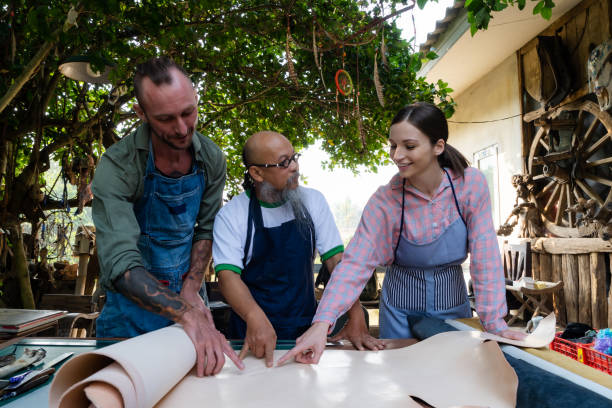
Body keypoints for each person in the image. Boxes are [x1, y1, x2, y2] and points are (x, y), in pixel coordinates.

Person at [279, 102, 525, 365]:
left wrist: (494, 322)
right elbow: (354, 265)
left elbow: (484, 255)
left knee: (454, 381)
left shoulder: (470, 184)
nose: (397, 155)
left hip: (454, 309)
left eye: (409, 146)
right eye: (393, 146)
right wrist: (321, 323)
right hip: (399, 315)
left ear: (438, 146)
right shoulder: (385, 201)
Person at [92, 57, 243, 376]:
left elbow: (205, 230)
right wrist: (184, 314)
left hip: (190, 299)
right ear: (141, 115)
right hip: (130, 313)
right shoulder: (118, 167)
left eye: (189, 112)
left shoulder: (211, 159)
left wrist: (190, 291)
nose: (182, 128)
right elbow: (120, 262)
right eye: (166, 119)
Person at [213, 131, 383, 367]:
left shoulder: (313, 201)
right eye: (284, 163)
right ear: (256, 173)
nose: (294, 167)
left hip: (305, 328)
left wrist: (355, 315)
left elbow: (336, 262)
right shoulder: (233, 215)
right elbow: (227, 276)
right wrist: (254, 317)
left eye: (294, 157)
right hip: (252, 333)